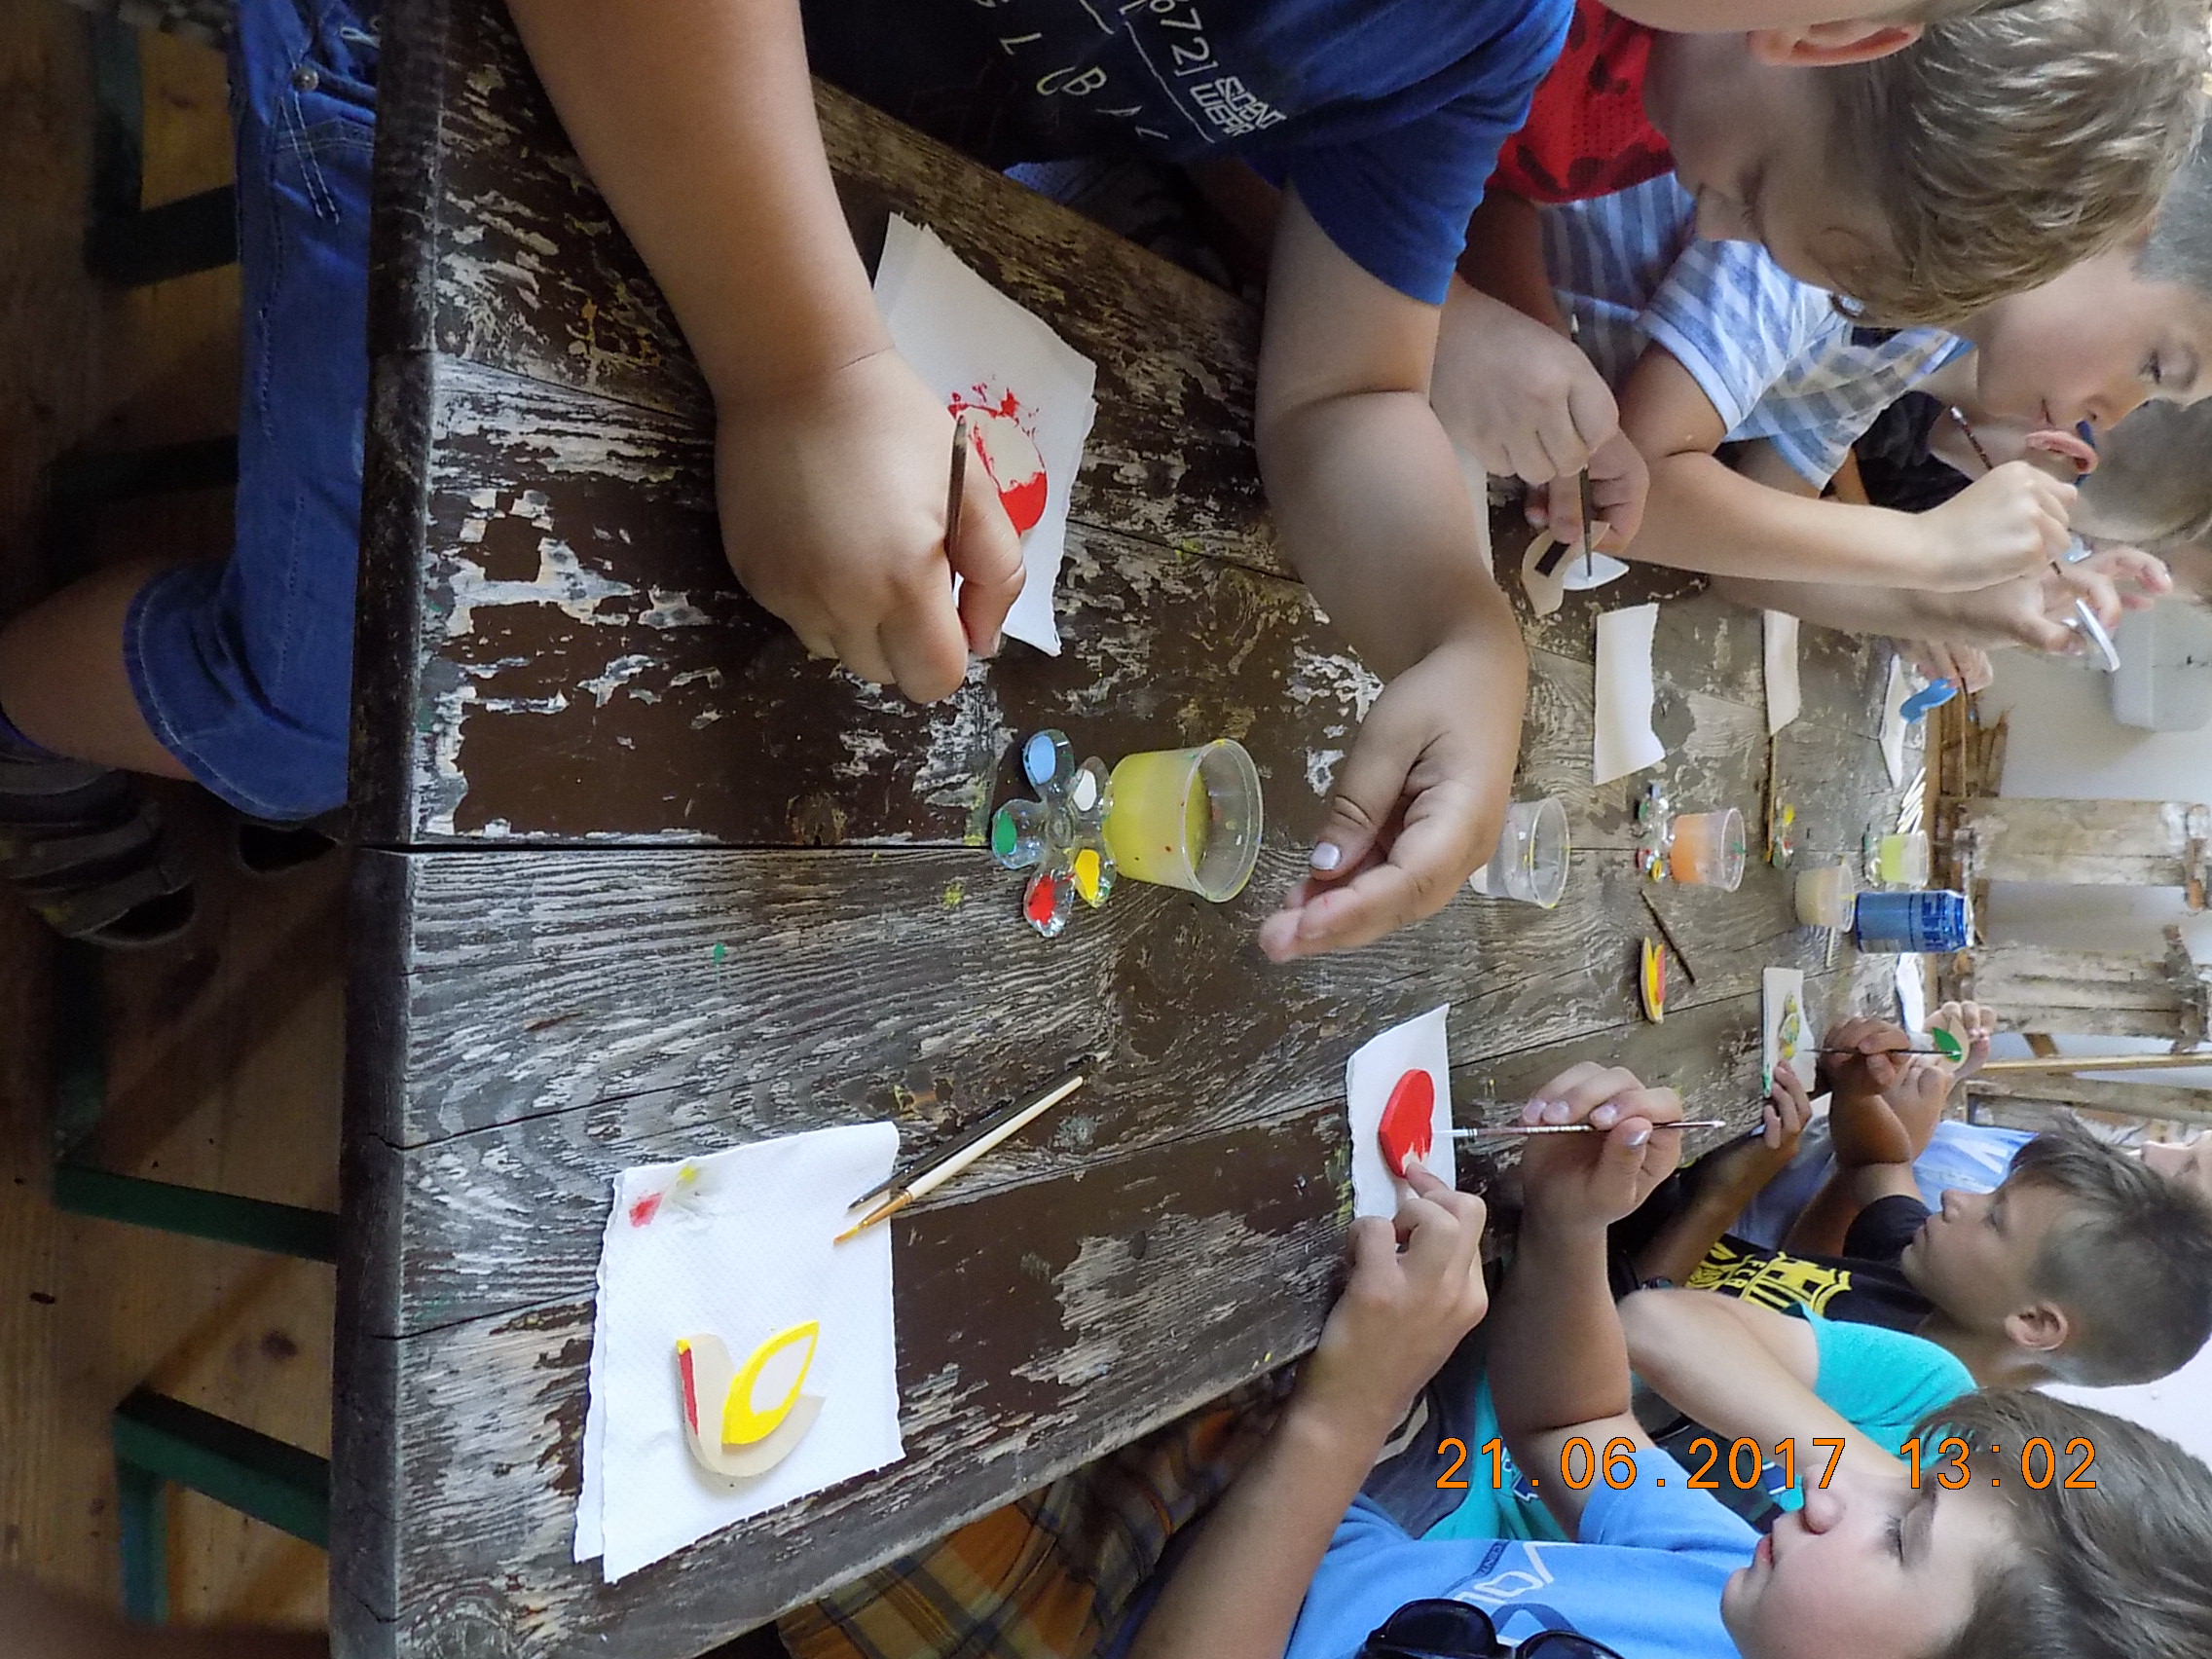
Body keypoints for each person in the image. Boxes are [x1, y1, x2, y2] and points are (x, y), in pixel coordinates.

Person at [1124, 1061, 2212, 1659]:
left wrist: (1343, 1415)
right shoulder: (1732, 1591)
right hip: (1283, 1507)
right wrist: (1570, 1224)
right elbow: (1578, 1434)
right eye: (1906, 1487)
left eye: (1902, 1533)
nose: (1838, 1491)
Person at [1447, 0, 2207, 554]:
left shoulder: (1901, 315)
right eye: (2156, 366)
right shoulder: (1860, 187)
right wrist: (1927, 555)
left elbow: (1491, 180)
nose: (2112, 418)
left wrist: (1501, 329)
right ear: (2128, 224)